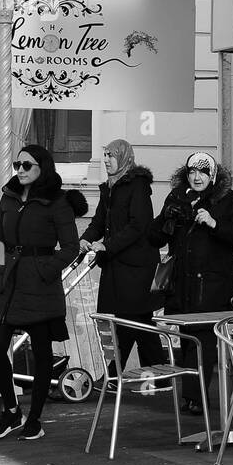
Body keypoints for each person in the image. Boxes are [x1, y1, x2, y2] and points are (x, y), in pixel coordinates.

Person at [0, 145, 87, 440]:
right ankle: (12, 411)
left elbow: (71, 247)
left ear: (43, 167)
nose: (21, 170)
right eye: (18, 165)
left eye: (27, 165)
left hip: (40, 287)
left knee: (41, 354)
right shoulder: (9, 197)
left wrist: (45, 269)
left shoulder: (57, 201)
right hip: (8, 283)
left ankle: (35, 418)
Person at [148, 151, 233, 415]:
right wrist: (167, 218)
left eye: (203, 172)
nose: (197, 177)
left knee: (203, 340)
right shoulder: (177, 196)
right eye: (192, 172)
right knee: (188, 339)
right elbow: (153, 238)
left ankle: (195, 397)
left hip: (212, 285)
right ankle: (192, 396)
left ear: (212, 175)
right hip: (182, 283)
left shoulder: (226, 199)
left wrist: (213, 222)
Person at [80, 139, 162, 373]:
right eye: (105, 155)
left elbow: (138, 225)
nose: (106, 160)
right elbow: (99, 221)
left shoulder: (137, 185)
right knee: (132, 323)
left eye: (111, 155)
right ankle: (152, 375)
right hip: (118, 266)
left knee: (133, 322)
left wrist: (107, 246)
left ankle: (119, 374)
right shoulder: (109, 187)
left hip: (136, 268)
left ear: (124, 158)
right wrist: (85, 239)